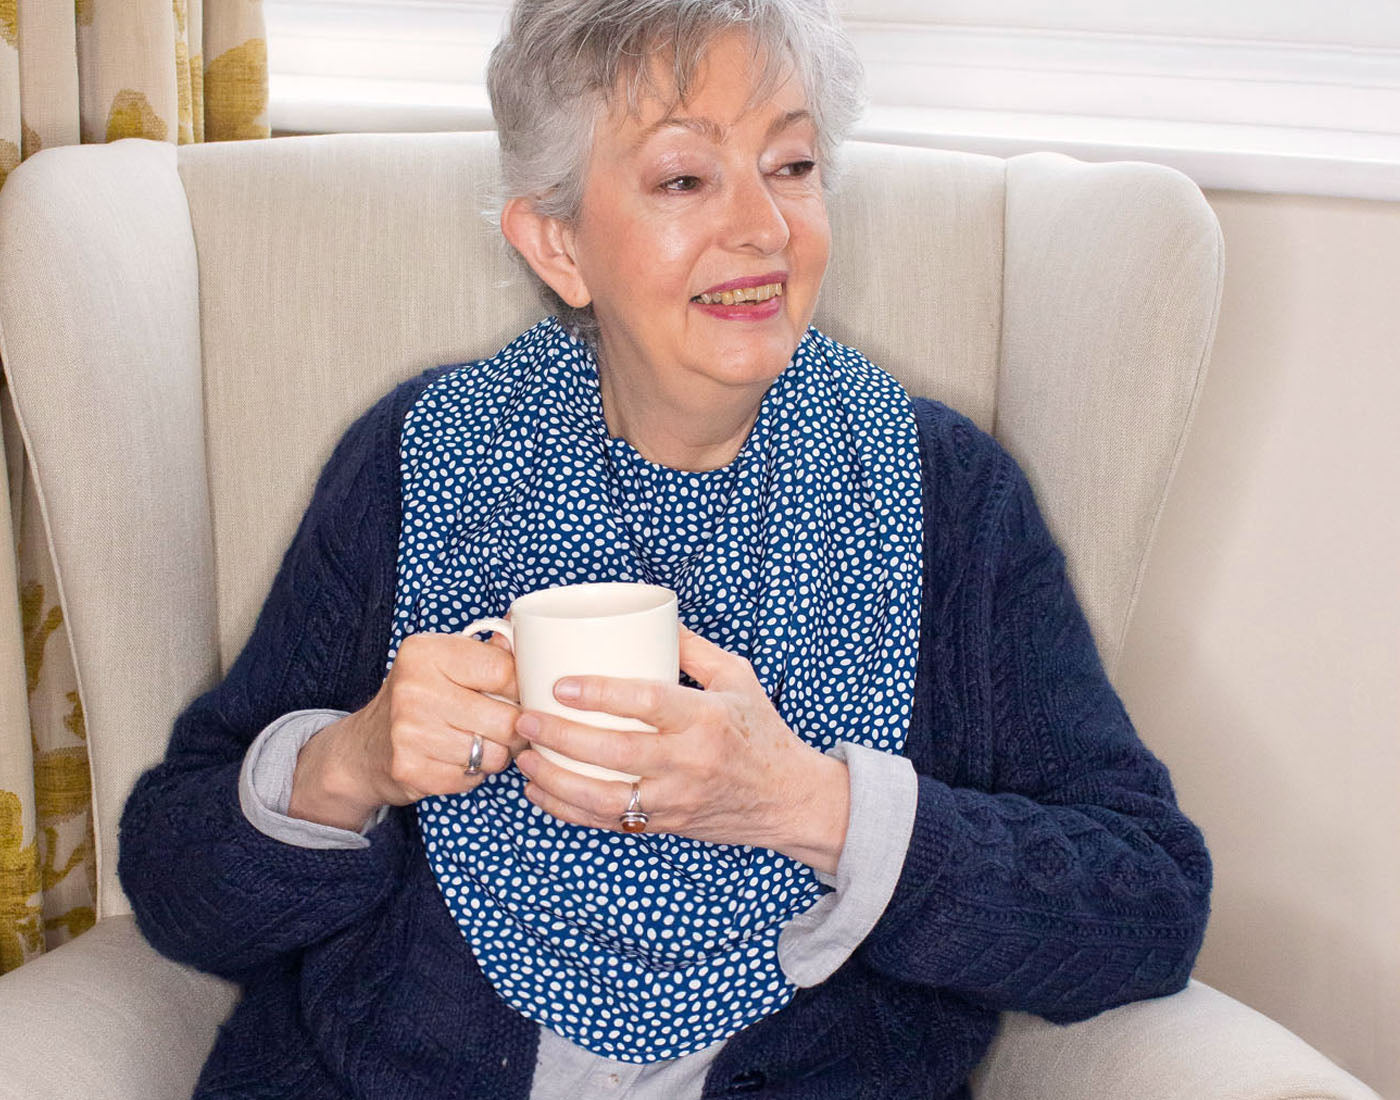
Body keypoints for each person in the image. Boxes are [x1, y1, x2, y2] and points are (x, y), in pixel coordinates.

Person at [117, 1, 1212, 1097]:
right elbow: (178, 880)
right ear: (558, 244)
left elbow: (1144, 909)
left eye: (789, 165)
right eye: (685, 178)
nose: (764, 227)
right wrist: (350, 760)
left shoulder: (943, 493)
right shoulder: (423, 457)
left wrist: (800, 801)